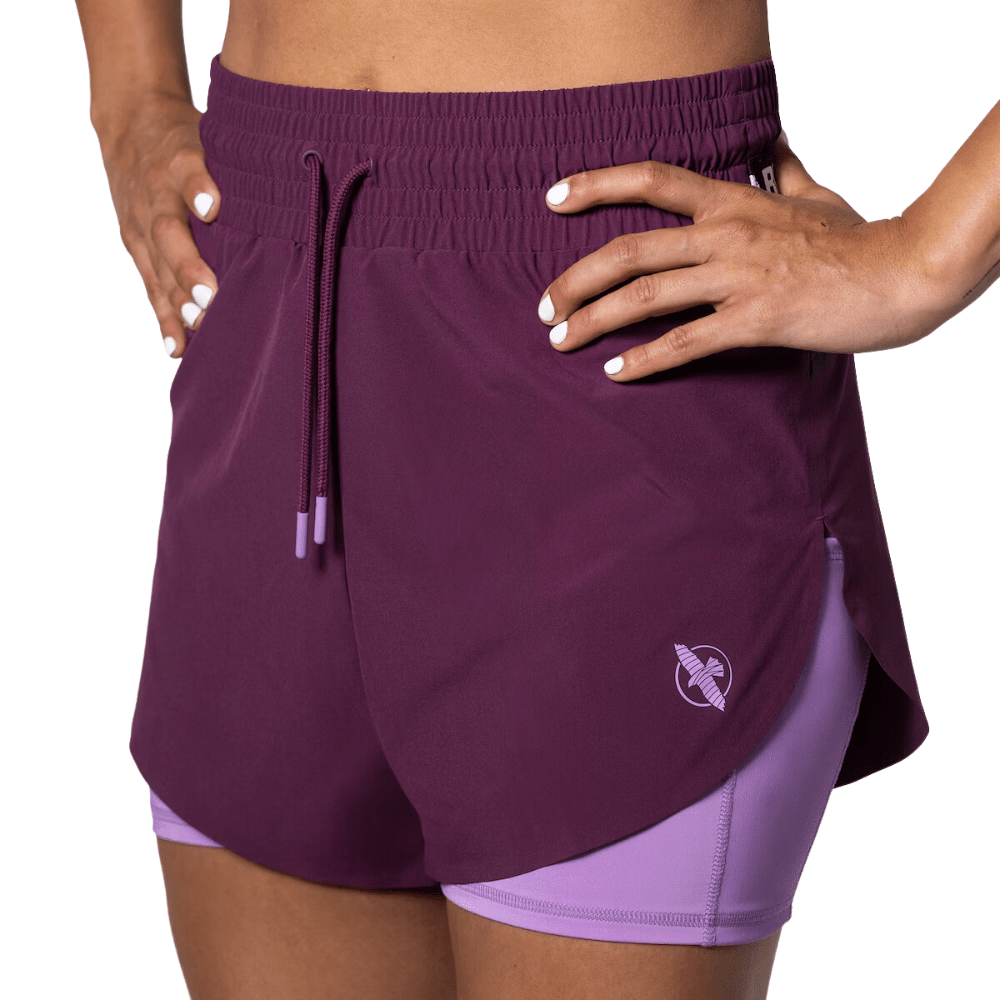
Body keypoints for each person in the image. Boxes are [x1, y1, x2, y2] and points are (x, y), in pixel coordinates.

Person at [74, 0, 998, 996]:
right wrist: (131, 93)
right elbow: (133, 93)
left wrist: (925, 256)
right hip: (270, 283)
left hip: (611, 301)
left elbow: (919, 260)